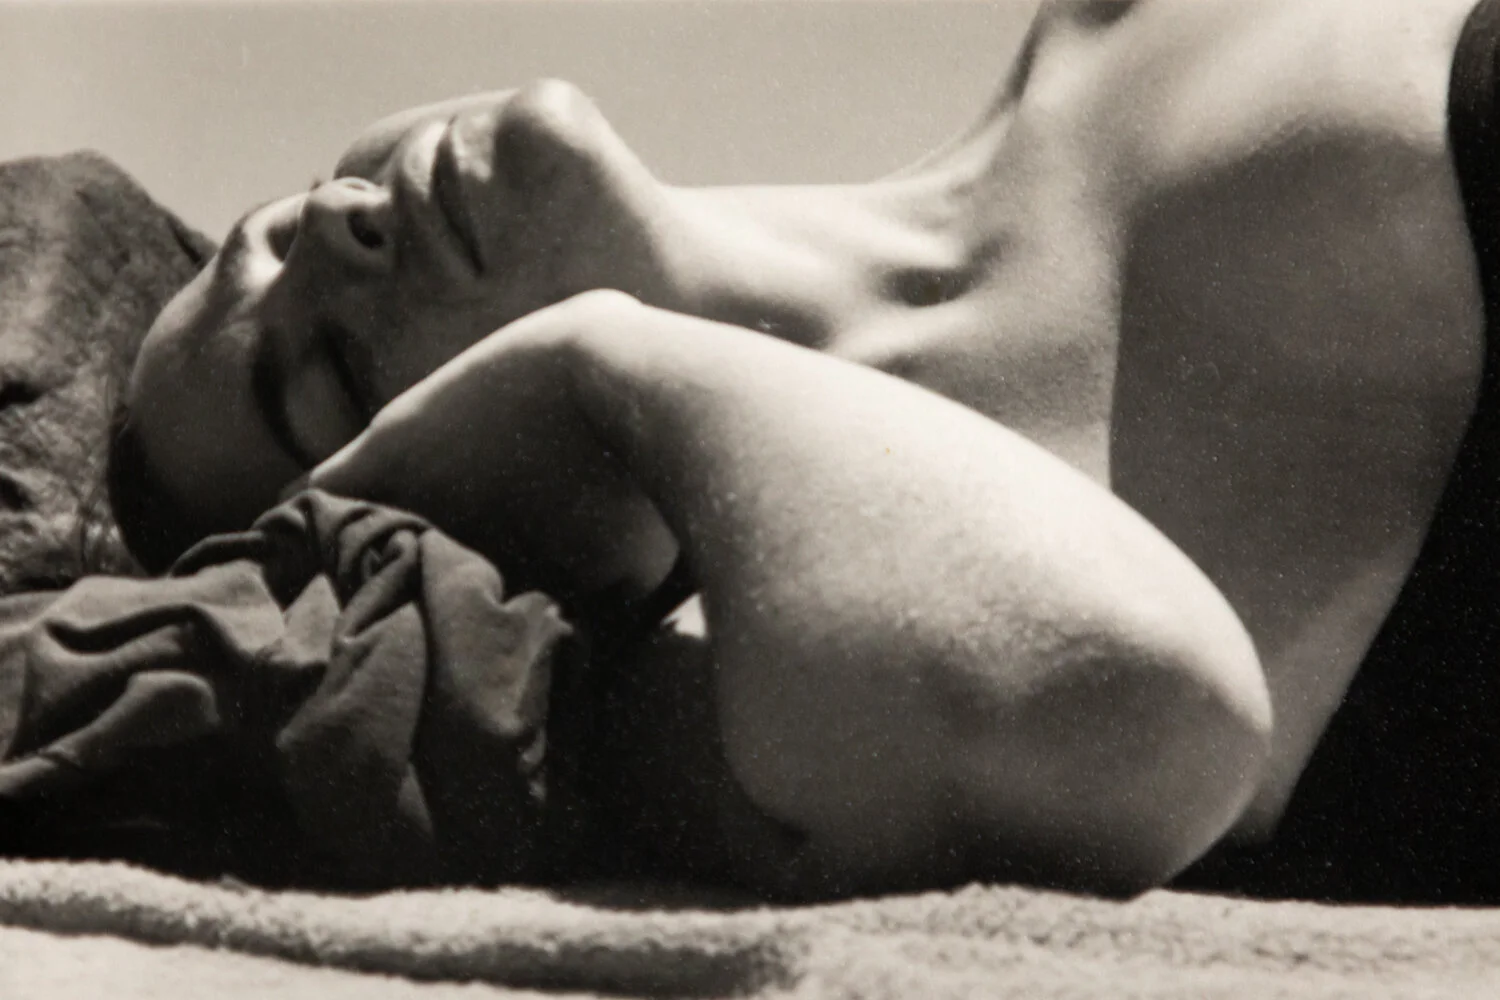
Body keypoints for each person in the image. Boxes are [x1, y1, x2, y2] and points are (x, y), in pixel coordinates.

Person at [109, 0, 1500, 902]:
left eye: (283, 221)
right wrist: (610, 356)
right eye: (324, 366)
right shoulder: (767, 673)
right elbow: (1140, 708)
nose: (350, 217)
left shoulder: (1116, 23)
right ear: (425, 494)